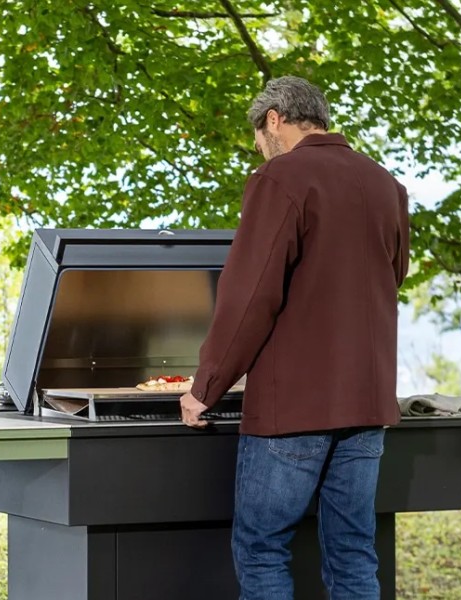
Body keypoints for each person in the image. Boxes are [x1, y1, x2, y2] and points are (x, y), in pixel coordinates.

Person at [178, 76, 410, 599]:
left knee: (262, 550)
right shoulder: (385, 184)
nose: (260, 149)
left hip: (294, 410)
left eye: (259, 136)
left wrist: (204, 386)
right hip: (367, 405)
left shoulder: (280, 178)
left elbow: (249, 297)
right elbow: (393, 276)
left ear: (275, 119)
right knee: (353, 555)